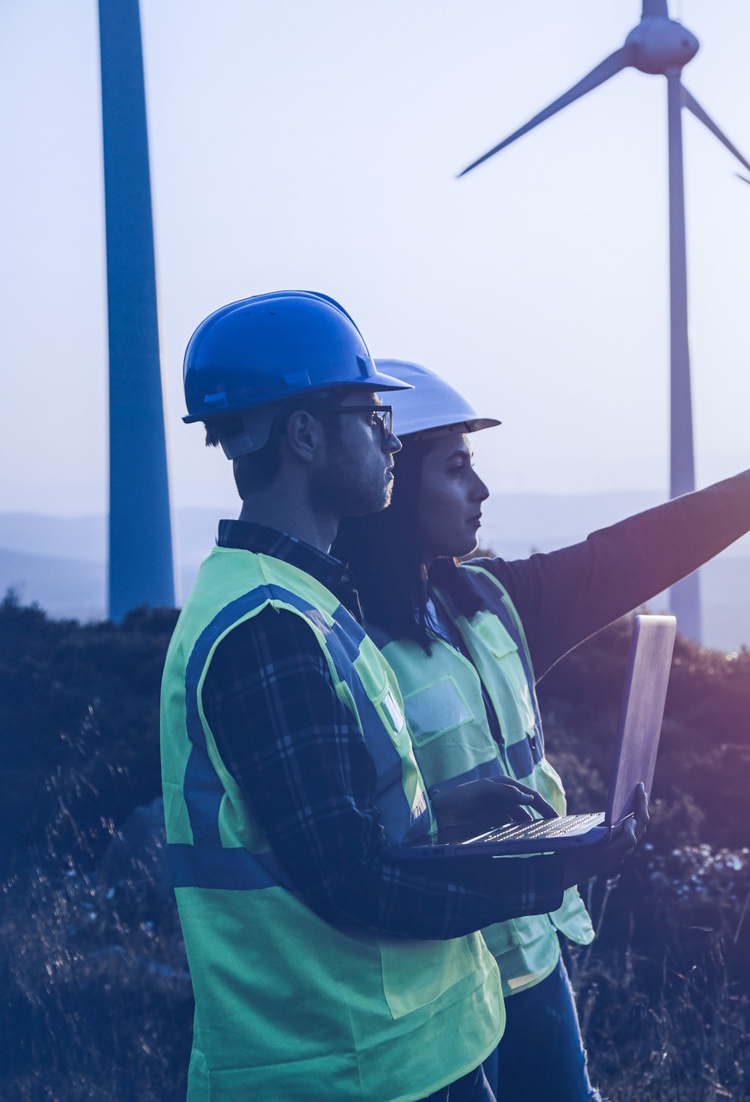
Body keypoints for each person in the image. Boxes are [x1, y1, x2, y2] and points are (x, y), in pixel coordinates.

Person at [330, 359, 750, 1101]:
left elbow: (640, 549)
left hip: (530, 958)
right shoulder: (340, 642)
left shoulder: (492, 604)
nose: (480, 489)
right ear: (395, 487)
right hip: (433, 987)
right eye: (456, 468)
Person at [158, 291, 644, 1102]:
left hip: (406, 1052)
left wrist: (452, 813)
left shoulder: (307, 602)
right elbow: (352, 880)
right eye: (369, 411)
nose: (391, 432)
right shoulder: (267, 629)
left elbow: (335, 827)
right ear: (305, 436)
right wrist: (546, 872)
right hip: (340, 1069)